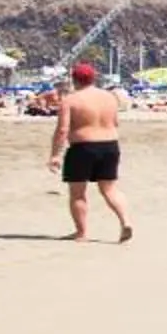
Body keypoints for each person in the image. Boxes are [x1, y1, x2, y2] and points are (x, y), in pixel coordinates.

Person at [47, 62, 132, 240]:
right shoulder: (110, 97)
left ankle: (82, 232)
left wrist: (55, 155)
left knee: (78, 193)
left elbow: (62, 130)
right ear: (93, 78)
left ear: (74, 79)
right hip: (110, 145)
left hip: (82, 147)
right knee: (110, 190)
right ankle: (125, 222)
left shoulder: (70, 100)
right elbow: (115, 123)